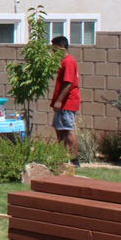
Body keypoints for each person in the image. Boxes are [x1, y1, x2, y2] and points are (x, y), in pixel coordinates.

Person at [49, 35, 81, 166]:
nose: (53, 52)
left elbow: (68, 83)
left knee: (67, 129)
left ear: (62, 47)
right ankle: (61, 158)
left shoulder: (68, 61)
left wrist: (59, 101)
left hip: (67, 102)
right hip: (63, 102)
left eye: (55, 49)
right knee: (59, 129)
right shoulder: (64, 61)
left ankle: (74, 160)